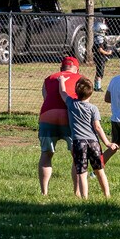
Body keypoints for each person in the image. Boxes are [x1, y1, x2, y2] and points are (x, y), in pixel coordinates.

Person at [58, 75, 117, 199]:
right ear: (91, 94)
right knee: (99, 170)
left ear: (76, 92)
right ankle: (107, 195)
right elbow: (97, 127)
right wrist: (107, 143)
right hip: (93, 143)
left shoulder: (71, 104)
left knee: (82, 173)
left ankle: (85, 197)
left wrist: (61, 81)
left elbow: (62, 92)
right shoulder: (93, 108)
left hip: (78, 143)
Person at [38, 56, 82, 196]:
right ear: (77, 69)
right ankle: (77, 192)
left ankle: (44, 192)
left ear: (61, 68)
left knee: (46, 154)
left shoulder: (49, 78)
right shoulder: (81, 79)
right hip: (70, 118)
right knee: (76, 156)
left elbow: (46, 98)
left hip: (47, 116)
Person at [93, 22, 113, 92]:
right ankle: (98, 87)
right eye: (103, 30)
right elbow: (100, 49)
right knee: (100, 72)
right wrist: (107, 53)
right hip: (99, 57)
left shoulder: (98, 37)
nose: (104, 32)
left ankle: (96, 86)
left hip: (98, 57)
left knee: (98, 72)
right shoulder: (99, 38)